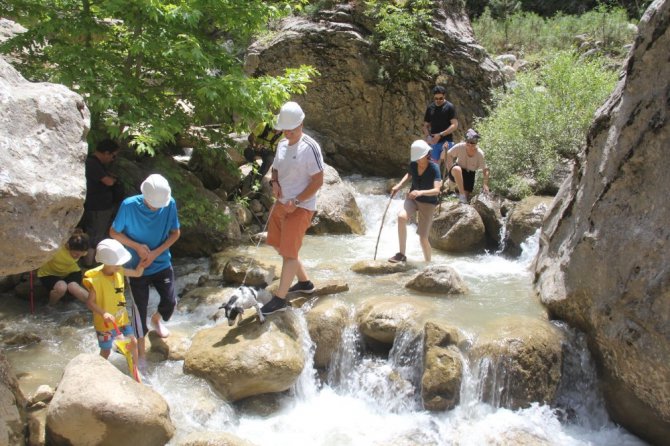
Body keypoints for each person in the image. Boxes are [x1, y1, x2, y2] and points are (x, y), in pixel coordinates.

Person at [260, 101, 325, 315]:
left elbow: (318, 181)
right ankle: (305, 284)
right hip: (281, 204)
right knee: (280, 247)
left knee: (289, 253)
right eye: (285, 130)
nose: (288, 134)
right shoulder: (281, 145)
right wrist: (274, 183)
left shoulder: (310, 147)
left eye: (292, 130)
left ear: (302, 124)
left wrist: (296, 201)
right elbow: (275, 170)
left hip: (301, 207)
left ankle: (280, 299)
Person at [110, 173, 180, 358]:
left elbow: (175, 233)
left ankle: (156, 320)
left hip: (161, 261)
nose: (157, 209)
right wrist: (137, 247)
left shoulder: (169, 203)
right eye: (153, 205)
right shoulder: (129, 205)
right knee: (139, 311)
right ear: (145, 197)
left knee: (170, 301)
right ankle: (141, 356)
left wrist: (156, 252)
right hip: (135, 267)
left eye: (160, 206)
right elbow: (114, 232)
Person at [83, 239, 143, 367]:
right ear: (105, 262)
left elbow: (137, 273)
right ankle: (99, 369)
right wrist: (103, 313)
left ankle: (136, 368)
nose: (119, 266)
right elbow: (89, 303)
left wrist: (143, 263)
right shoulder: (96, 280)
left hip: (121, 319)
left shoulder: (119, 270)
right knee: (106, 350)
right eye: (116, 263)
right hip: (104, 324)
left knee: (133, 342)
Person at [388, 140, 442, 263]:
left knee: (423, 238)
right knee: (401, 217)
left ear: (427, 155)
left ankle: (428, 263)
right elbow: (408, 175)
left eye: (420, 158)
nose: (418, 160)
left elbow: (437, 190)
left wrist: (420, 192)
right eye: (416, 158)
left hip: (428, 203)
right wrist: (399, 186)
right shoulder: (413, 164)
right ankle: (401, 254)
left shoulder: (434, 168)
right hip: (413, 199)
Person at [82, 139, 121, 266]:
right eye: (113, 156)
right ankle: (89, 265)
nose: (113, 159)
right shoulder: (92, 163)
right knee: (94, 236)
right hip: (97, 207)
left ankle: (92, 263)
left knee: (97, 235)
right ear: (106, 153)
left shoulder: (97, 164)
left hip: (100, 206)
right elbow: (108, 181)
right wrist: (114, 180)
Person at [37, 230, 90, 305]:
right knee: (61, 287)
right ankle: (51, 305)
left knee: (74, 287)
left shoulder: (82, 249)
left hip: (71, 271)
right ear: (68, 246)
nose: (78, 257)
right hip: (49, 273)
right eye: (76, 254)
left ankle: (95, 305)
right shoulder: (57, 249)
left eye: (81, 255)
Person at [442, 128, 490, 204]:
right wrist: (449, 169)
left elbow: (485, 169)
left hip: (470, 175)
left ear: (476, 143)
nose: (470, 145)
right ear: (465, 141)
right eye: (468, 142)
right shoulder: (460, 146)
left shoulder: (480, 153)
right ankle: (459, 192)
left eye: (473, 142)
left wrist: (485, 184)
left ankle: (460, 194)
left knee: (464, 201)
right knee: (457, 169)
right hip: (457, 170)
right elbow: (447, 155)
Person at [423, 85, 458, 166]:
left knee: (448, 162)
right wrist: (428, 137)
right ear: (433, 97)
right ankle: (437, 178)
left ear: (444, 96)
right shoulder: (430, 107)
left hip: (447, 141)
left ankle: (452, 177)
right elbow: (425, 125)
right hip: (434, 142)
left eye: (441, 98)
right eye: (436, 98)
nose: (438, 100)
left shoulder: (449, 107)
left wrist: (440, 134)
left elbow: (455, 125)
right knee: (433, 166)